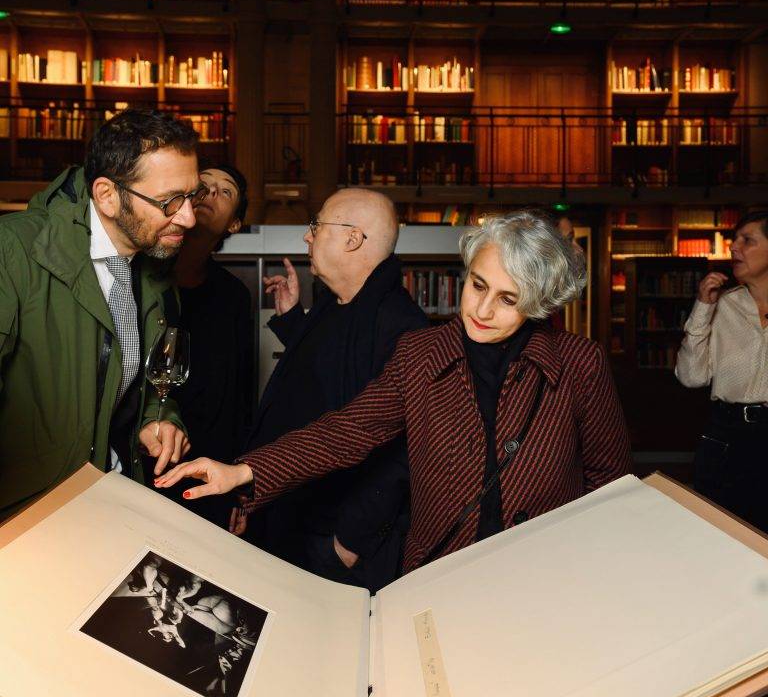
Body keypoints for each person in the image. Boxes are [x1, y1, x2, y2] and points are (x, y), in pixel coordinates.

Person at [157, 209, 632, 574]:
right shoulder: (421, 353)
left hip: (544, 571)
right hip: (441, 571)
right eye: (477, 285)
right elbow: (346, 431)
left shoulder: (579, 363)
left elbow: (608, 481)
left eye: (508, 299)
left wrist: (585, 564)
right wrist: (244, 471)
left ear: (538, 303)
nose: (482, 310)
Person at [0, 108, 201, 518]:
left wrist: (158, 417)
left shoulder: (155, 265)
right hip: (29, 517)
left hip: (108, 498)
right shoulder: (12, 251)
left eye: (192, 196)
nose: (189, 217)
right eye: (170, 202)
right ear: (107, 195)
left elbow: (136, 382)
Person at [235, 186, 427, 588]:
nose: (307, 236)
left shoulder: (403, 326)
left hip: (331, 537)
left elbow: (404, 449)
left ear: (352, 238)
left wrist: (349, 542)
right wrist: (294, 321)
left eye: (316, 225)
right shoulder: (333, 302)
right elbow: (325, 377)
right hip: (286, 512)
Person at [152, 164, 252, 527]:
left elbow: (239, 397)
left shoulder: (234, 296)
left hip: (206, 469)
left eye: (225, 191)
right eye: (203, 186)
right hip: (141, 459)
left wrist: (240, 487)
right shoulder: (141, 277)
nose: (210, 194)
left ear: (234, 224)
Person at [676, 211, 768, 534]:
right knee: (722, 534)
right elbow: (691, 376)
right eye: (734, 240)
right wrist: (703, 306)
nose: (734, 248)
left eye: (747, 240)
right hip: (727, 436)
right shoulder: (724, 305)